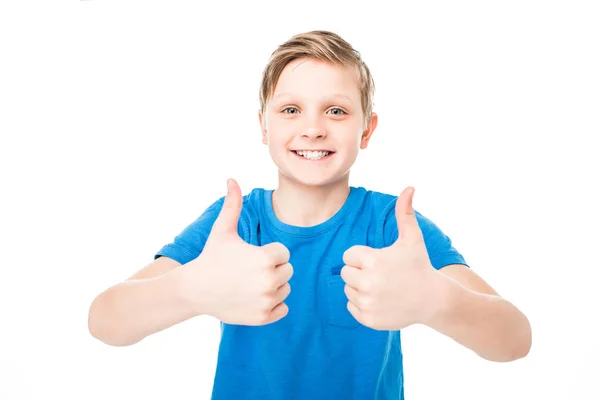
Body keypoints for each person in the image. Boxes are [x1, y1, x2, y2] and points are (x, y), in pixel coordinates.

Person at [88, 30, 532, 399]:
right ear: (264, 126)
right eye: (291, 109)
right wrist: (189, 290)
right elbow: (105, 321)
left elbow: (515, 339)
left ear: (367, 129)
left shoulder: (393, 225)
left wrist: (438, 300)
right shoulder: (237, 222)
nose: (313, 127)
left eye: (336, 110)